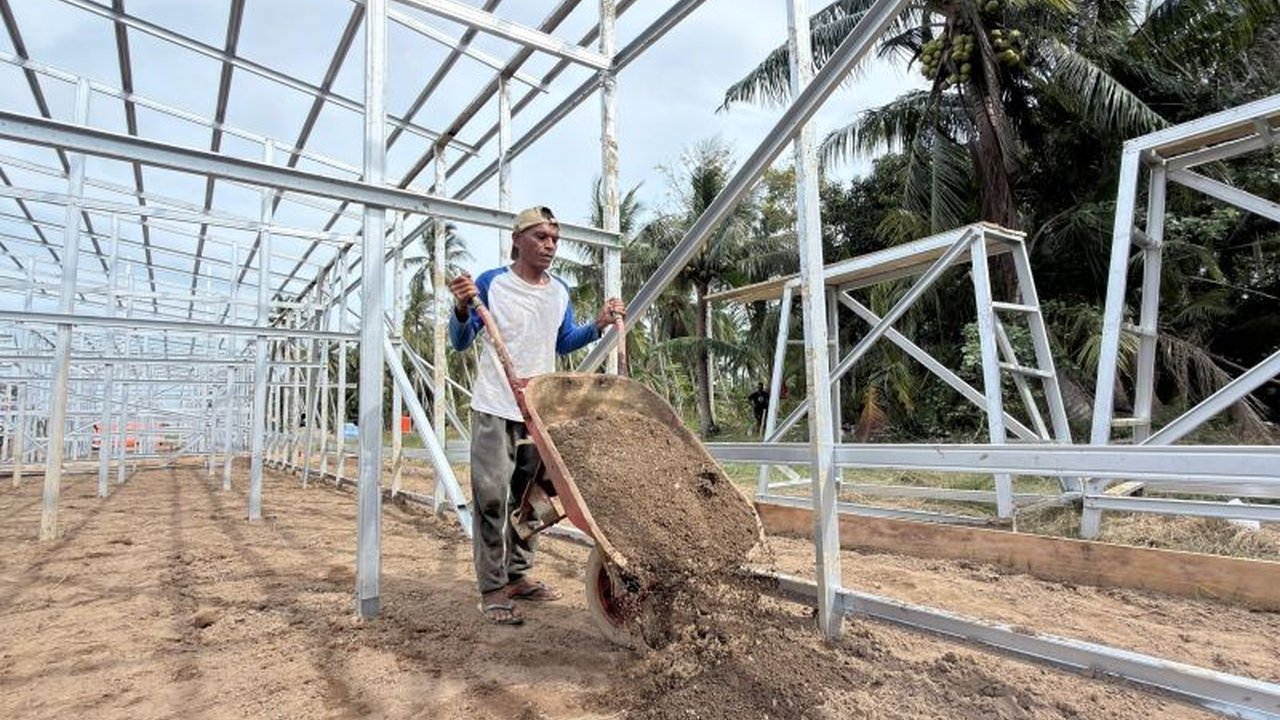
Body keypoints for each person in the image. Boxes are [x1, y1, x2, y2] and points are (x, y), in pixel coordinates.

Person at [447, 205, 626, 626]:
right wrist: (459, 309)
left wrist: (597, 324)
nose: (550, 246)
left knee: (532, 501)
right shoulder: (492, 284)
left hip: (538, 412)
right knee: (491, 500)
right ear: (517, 240)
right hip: (495, 406)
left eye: (554, 240)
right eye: (541, 237)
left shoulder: (559, 290)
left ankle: (517, 576)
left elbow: (563, 342)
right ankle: (492, 589)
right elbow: (460, 341)